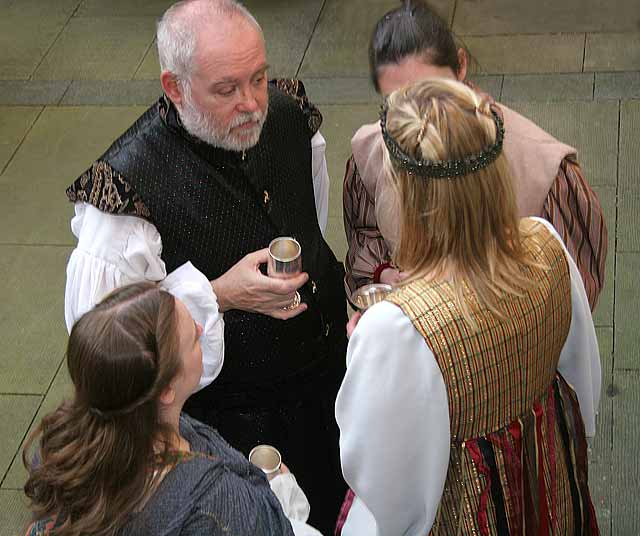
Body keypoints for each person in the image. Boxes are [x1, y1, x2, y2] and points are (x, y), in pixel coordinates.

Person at [63, 0, 347, 531]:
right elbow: (109, 350)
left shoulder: (288, 113)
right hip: (231, 425)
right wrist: (218, 293)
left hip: (326, 383)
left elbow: (312, 213)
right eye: (226, 89)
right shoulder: (126, 194)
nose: (252, 104)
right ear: (175, 87)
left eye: (258, 77)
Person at [335, 79, 601, 534]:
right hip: (546, 497)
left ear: (407, 196)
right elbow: (581, 393)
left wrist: (370, 355)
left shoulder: (399, 331)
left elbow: (389, 501)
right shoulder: (548, 244)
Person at [343, 0, 607, 311]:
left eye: (431, 90)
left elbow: (570, 302)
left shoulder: (544, 170)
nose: (418, 114)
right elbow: (367, 242)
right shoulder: (370, 153)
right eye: (398, 100)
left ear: (461, 65)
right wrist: (386, 274)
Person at [23, 282, 322, 536]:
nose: (201, 326)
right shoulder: (216, 505)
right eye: (192, 338)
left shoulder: (60, 446)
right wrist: (277, 494)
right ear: (166, 390)